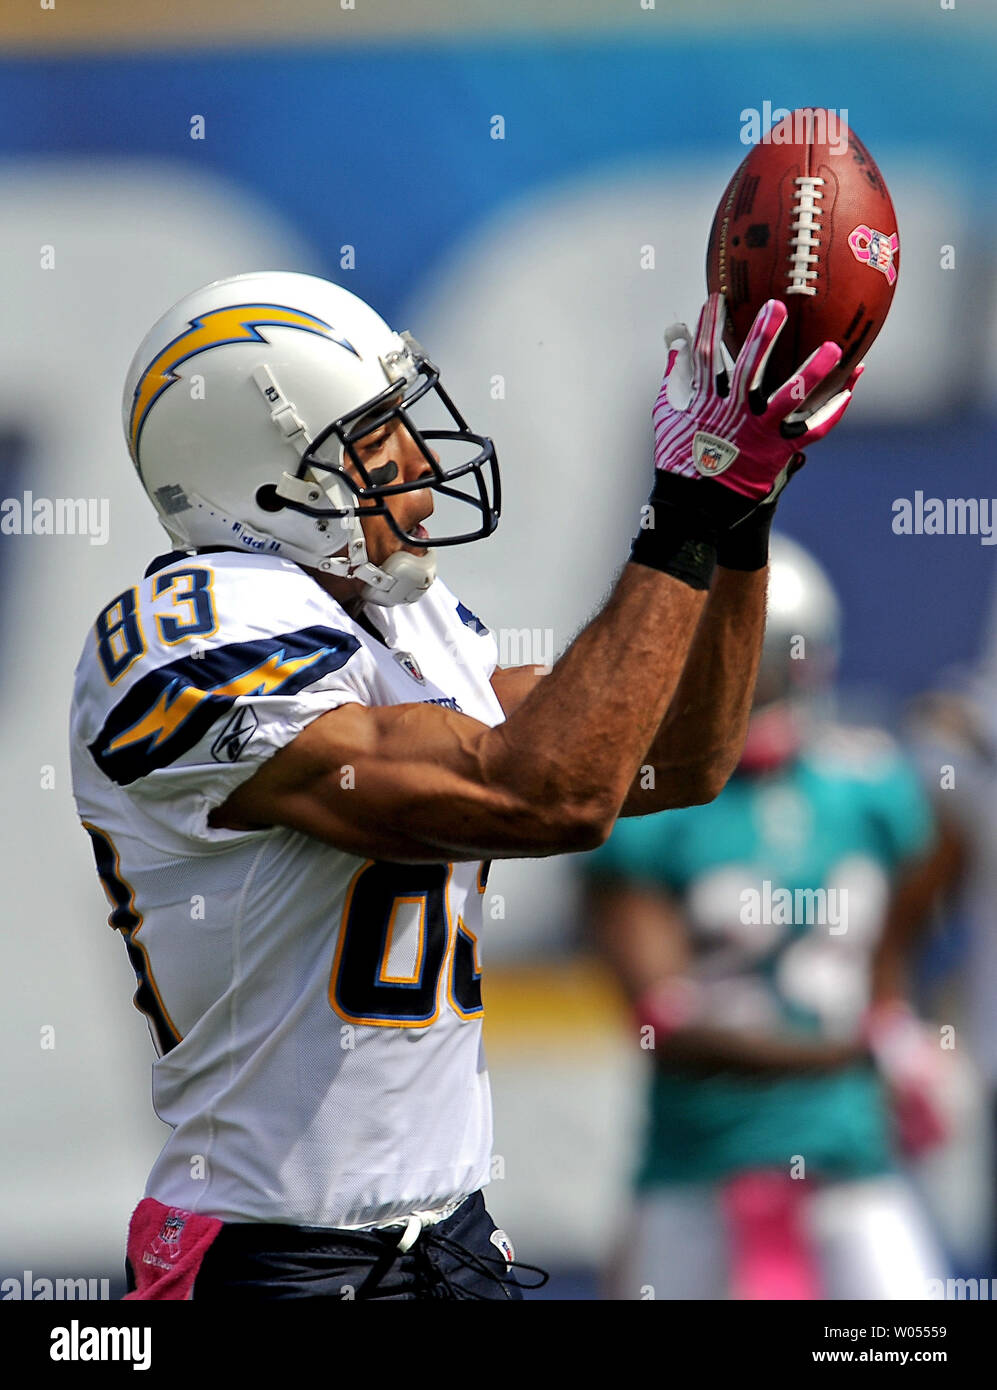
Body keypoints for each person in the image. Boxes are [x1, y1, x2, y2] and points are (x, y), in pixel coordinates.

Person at [69, 271, 859, 1300]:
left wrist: (739, 508)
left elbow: (678, 752)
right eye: (369, 433)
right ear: (257, 478)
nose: (414, 456)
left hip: (450, 1237)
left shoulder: (403, 618)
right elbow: (550, 796)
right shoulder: (192, 631)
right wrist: (681, 511)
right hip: (272, 1259)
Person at [582, 536, 952, 1300]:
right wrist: (861, 1051)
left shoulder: (869, 794)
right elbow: (667, 1024)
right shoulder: (652, 813)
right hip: (700, 1160)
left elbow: (904, 922)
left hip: (849, 1159)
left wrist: (890, 1015)